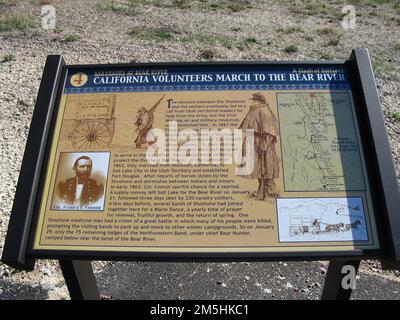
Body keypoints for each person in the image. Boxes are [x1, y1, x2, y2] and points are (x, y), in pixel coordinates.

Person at [239, 92, 279, 200]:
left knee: (266, 169)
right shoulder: (254, 110)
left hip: (263, 143)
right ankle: (263, 191)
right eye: (253, 100)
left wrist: (264, 145)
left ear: (260, 101)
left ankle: (270, 192)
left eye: (255, 100)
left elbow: (271, 132)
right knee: (258, 169)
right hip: (254, 142)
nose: (253, 102)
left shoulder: (264, 111)